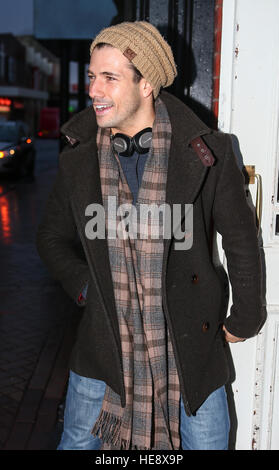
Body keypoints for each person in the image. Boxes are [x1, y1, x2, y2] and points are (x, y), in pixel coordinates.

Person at [36, 21, 266, 450]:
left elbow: (241, 240)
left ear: (147, 85)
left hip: (191, 354)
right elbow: (50, 237)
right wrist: (86, 287)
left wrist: (246, 315)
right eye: (91, 77)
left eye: (110, 78)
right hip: (102, 353)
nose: (93, 90)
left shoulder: (209, 153)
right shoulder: (79, 157)